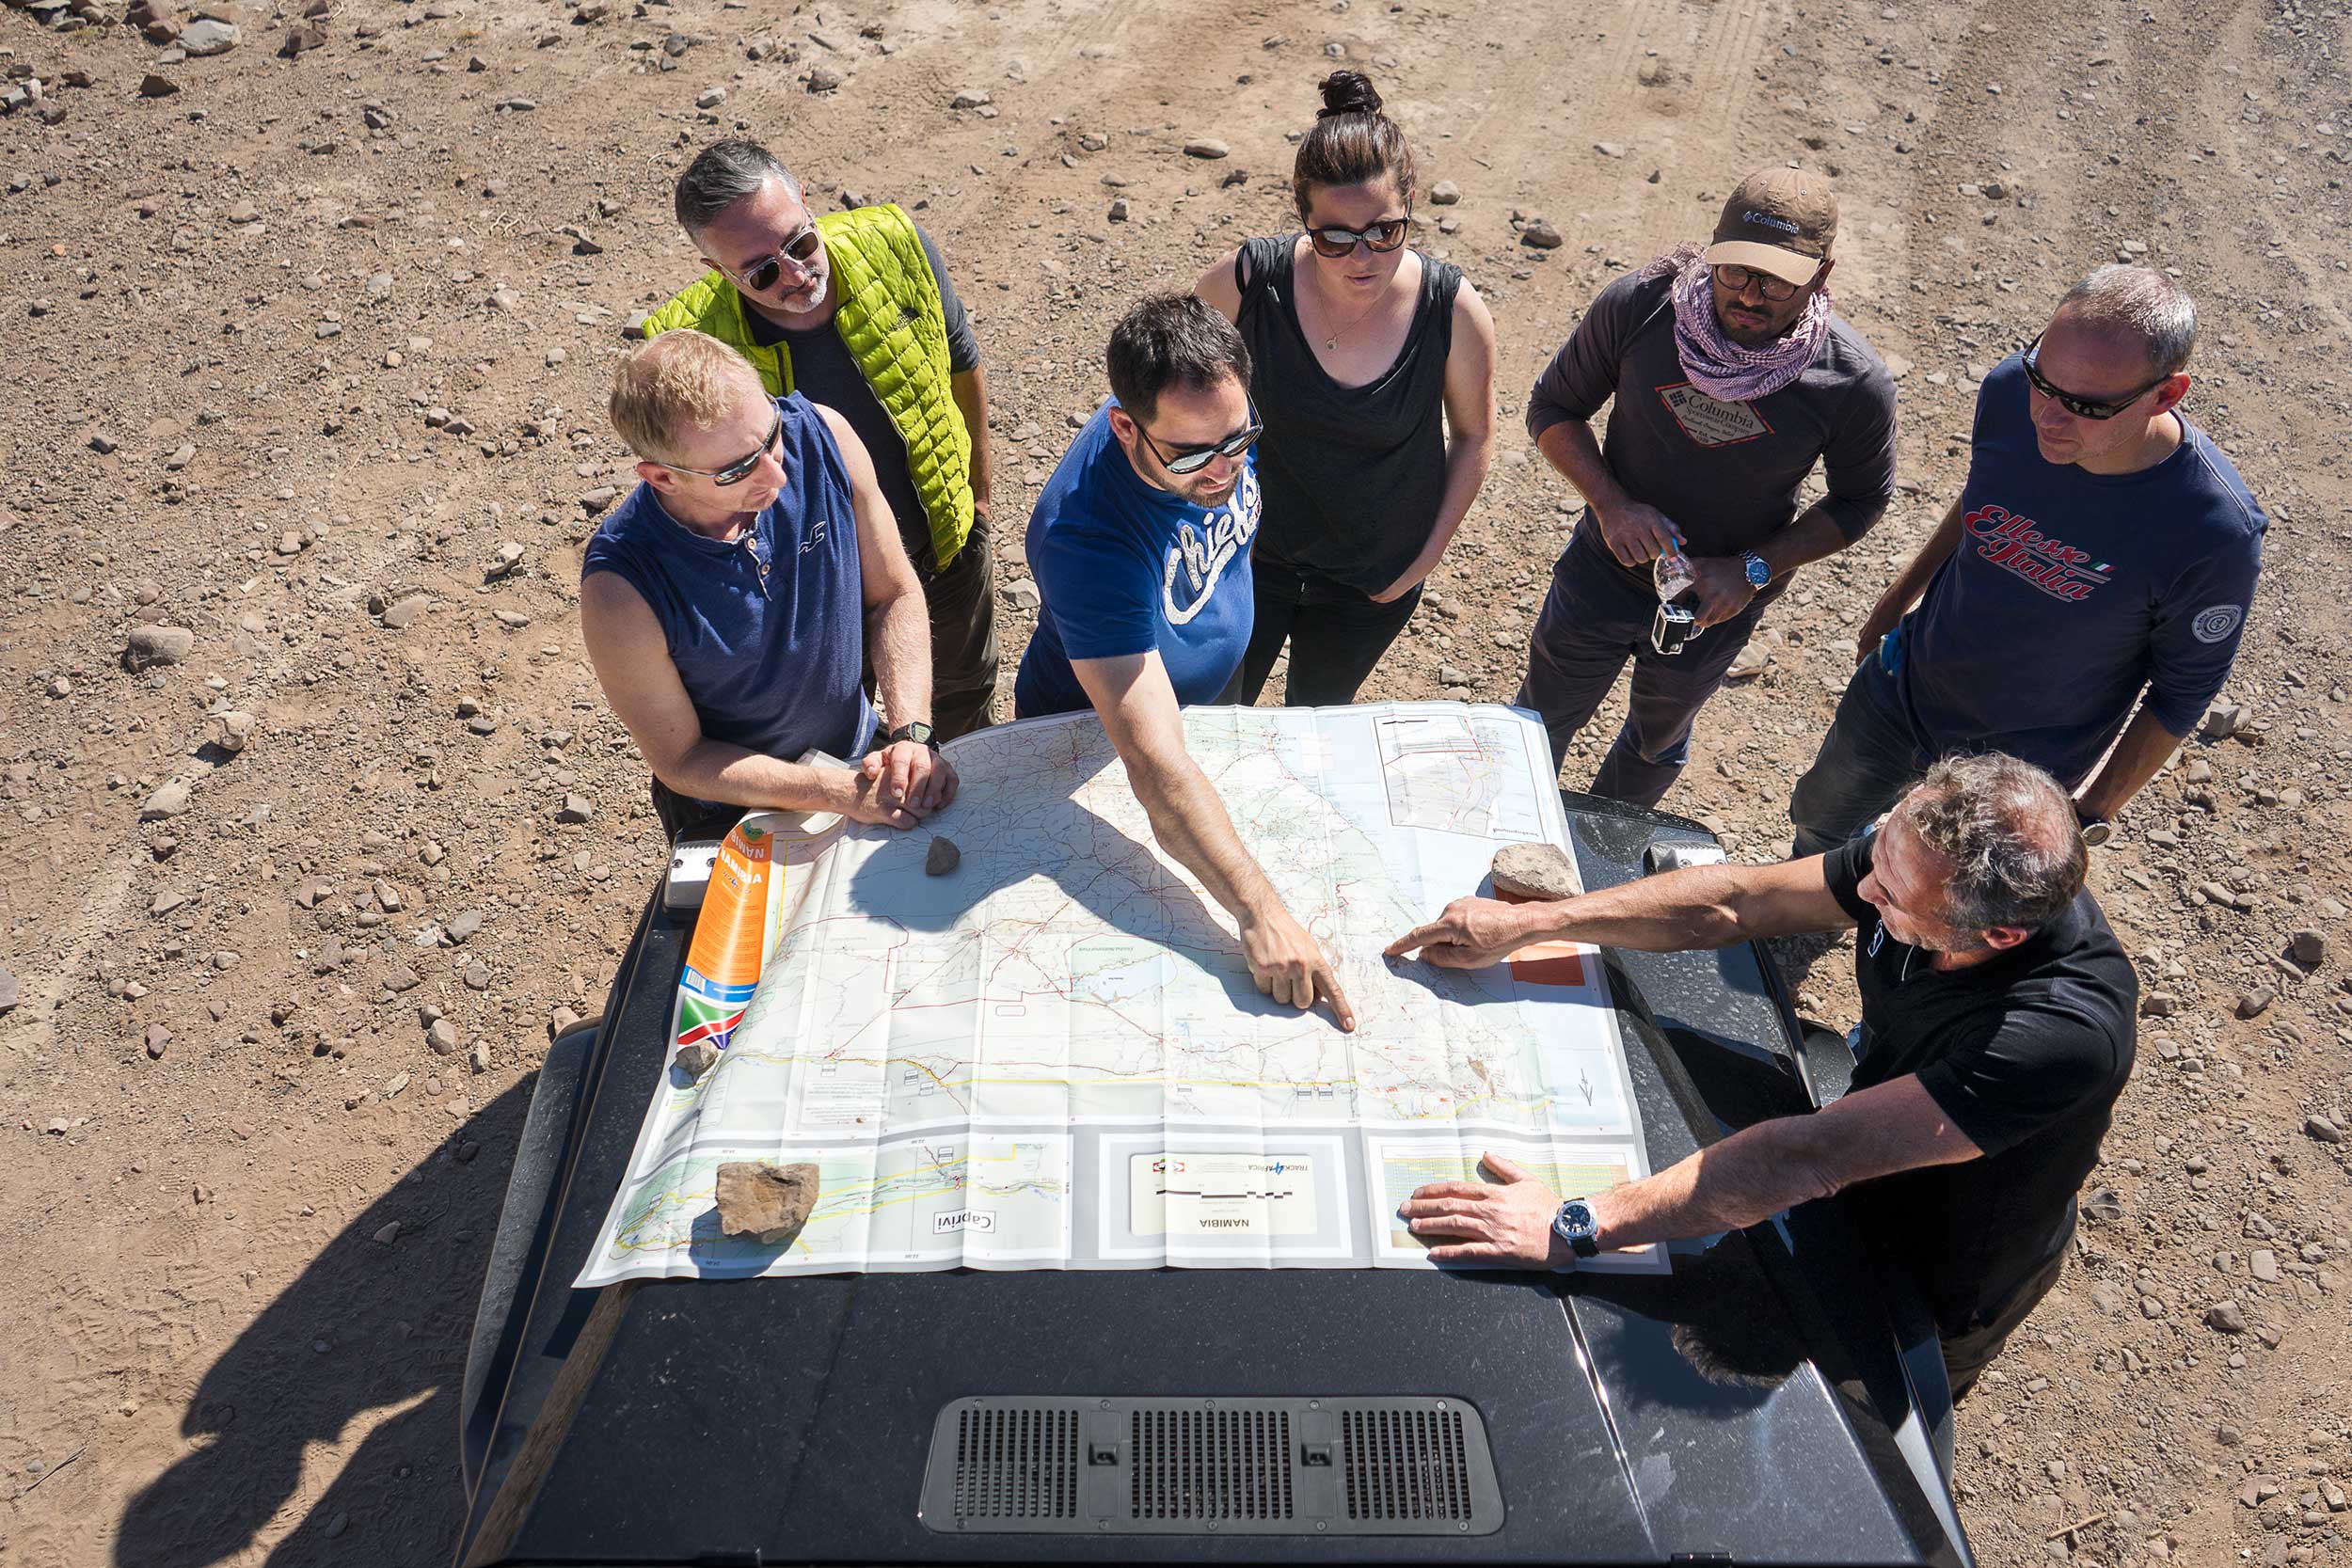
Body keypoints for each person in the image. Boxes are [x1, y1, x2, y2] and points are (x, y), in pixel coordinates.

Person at [1386, 752, 2135, 1399]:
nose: (1863, 893)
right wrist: (1535, 925)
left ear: (1998, 935)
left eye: (1889, 898)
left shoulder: (2057, 1034)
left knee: (1882, 1393)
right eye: (1876, 859)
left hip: (1946, 1245)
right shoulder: (1916, 864)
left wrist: (1570, 1223)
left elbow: (1807, 1156)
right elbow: (1740, 898)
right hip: (1866, 1126)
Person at [1789, 265, 2267, 856]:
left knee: (1945, 899)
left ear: (2166, 394)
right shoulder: (2010, 390)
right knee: (1819, 822)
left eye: (2085, 406)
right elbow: (1985, 498)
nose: (2046, 416)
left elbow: (2181, 694)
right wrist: (1894, 603)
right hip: (1907, 687)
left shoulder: (2214, 533)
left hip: (2020, 770)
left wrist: (2088, 812)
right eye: (2044, 378)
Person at [1014, 294, 1355, 1031]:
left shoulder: (1209, 418)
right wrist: (1260, 911)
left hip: (1203, 693)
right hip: (1089, 741)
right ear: (1126, 425)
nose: (1224, 469)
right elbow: (1155, 766)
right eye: (1195, 455)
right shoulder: (1084, 539)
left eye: (1239, 440)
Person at [1516, 166, 1897, 805]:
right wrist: (1611, 505)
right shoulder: (1640, 308)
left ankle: (1598, 873)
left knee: (1655, 743)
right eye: (1735, 269)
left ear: (1822, 276)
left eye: (1777, 279)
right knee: (1535, 723)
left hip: (1714, 605)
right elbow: (1553, 409)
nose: (1749, 294)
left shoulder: (1851, 383)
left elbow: (1862, 499)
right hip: (1602, 572)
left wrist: (1751, 568)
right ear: (1712, 250)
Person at [644, 139, 1000, 740]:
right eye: (761, 272)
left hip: (945, 545)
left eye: (801, 243)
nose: (796, 273)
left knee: (965, 698)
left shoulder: (896, 244)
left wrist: (978, 496)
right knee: (834, 742)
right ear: (717, 271)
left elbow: (962, 364)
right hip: (816, 591)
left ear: (806, 202)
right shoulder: (689, 346)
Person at [1193, 70, 1498, 706]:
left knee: (1318, 730)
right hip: (1247, 559)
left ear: (1409, 202)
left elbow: (1473, 438)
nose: (1364, 258)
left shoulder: (1453, 311)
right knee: (1216, 727)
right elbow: (1168, 401)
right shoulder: (1245, 286)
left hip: (1371, 582)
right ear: (1304, 217)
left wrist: (1422, 563)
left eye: (1386, 231)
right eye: (1335, 237)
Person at [580, 329, 955, 842]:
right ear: (662, 478)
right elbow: (683, 759)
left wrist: (911, 731)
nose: (777, 477)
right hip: (734, 810)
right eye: (736, 469)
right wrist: (832, 791)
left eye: (770, 436)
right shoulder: (620, 590)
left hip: (858, 758)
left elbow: (894, 593)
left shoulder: (826, 436)